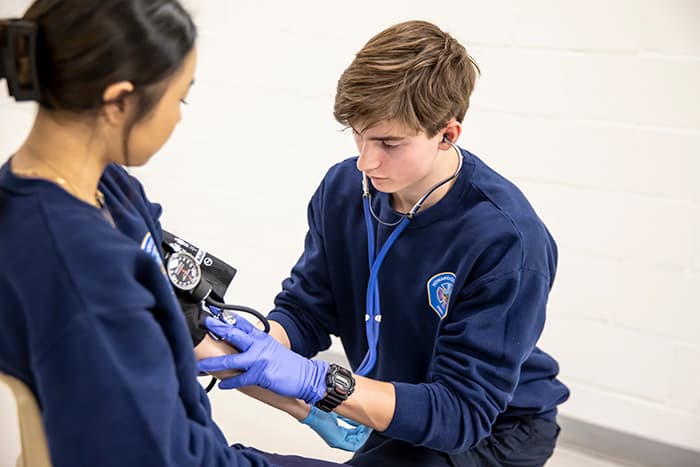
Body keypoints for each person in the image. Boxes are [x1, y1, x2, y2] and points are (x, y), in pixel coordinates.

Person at [197, 20, 571, 467]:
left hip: (490, 430)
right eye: (358, 134)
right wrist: (257, 343)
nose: (366, 159)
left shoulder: (506, 240)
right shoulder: (343, 189)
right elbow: (308, 311)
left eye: (389, 143)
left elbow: (461, 413)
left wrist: (320, 383)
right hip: (399, 404)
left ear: (448, 135)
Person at [0, 1, 346, 466]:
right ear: (119, 100)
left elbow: (177, 310)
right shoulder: (79, 267)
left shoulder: (107, 189)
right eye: (178, 99)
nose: (178, 118)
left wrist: (303, 398)